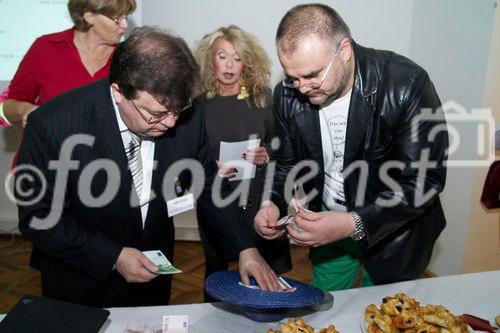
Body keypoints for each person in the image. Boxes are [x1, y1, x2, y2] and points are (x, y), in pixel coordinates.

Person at [15, 26, 280, 308]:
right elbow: (38, 216)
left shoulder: (188, 116)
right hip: (83, 281)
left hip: (153, 280)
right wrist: (113, 256)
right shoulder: (55, 124)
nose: (170, 123)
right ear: (118, 92)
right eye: (156, 114)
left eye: (178, 110)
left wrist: (245, 247)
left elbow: (209, 184)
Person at [254, 4, 448, 291]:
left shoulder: (407, 84)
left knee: (384, 314)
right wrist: (269, 202)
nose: (302, 88)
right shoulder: (288, 94)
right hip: (328, 227)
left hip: (395, 233)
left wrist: (351, 223)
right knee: (326, 309)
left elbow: (422, 182)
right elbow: (285, 163)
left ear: (344, 50)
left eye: (311, 75)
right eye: (293, 77)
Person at [193, 25, 291, 300]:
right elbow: (190, 154)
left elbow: (280, 147)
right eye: (222, 56)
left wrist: (266, 154)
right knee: (216, 269)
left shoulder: (263, 99)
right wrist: (209, 165)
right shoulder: (199, 105)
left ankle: (267, 312)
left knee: (267, 267)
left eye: (237, 58)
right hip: (216, 196)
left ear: (247, 61)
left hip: (258, 196)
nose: (229, 65)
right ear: (210, 59)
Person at [3, 0, 136, 126]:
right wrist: (24, 110)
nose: (124, 25)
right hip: (50, 148)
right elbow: (9, 106)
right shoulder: (46, 48)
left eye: (126, 17)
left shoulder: (128, 57)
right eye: (117, 18)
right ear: (89, 16)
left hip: (104, 149)